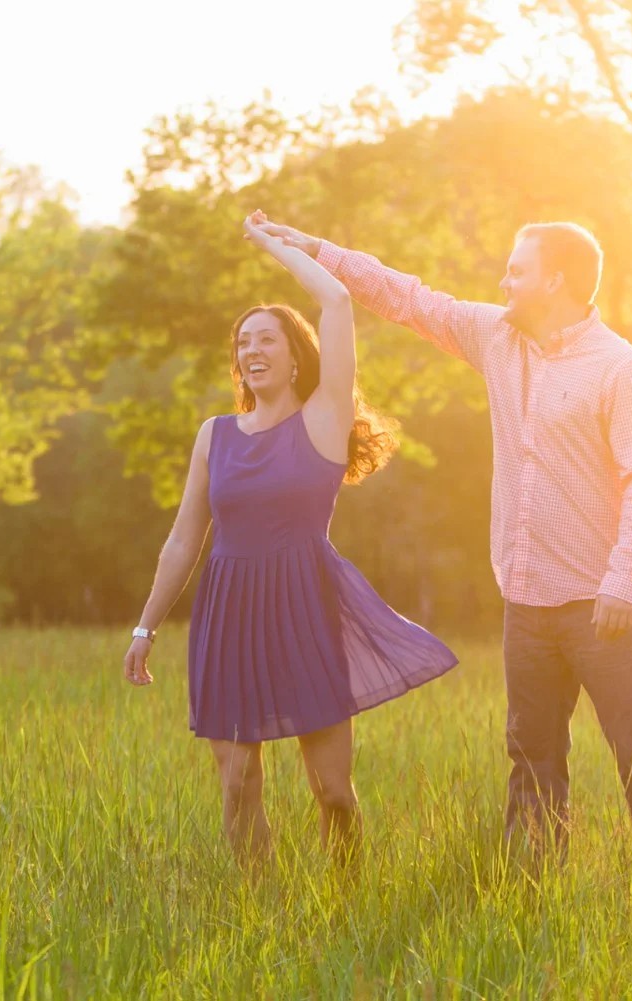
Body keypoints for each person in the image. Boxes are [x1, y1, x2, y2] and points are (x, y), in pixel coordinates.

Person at [249, 214, 632, 875]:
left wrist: (621, 580)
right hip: (527, 602)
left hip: (602, 607)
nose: (504, 280)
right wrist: (311, 248)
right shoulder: (495, 337)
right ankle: (530, 895)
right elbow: (405, 295)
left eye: (517, 270)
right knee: (531, 759)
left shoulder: (619, 368)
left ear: (555, 280)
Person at [121, 211, 458, 866]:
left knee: (332, 790)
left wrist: (272, 244)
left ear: (295, 351)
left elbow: (334, 298)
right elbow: (182, 541)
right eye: (243, 341)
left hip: (305, 608)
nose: (251, 350)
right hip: (228, 613)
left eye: (267, 338)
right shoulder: (213, 436)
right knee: (238, 782)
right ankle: (262, 917)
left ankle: (345, 902)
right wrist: (144, 628)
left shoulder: (324, 420)